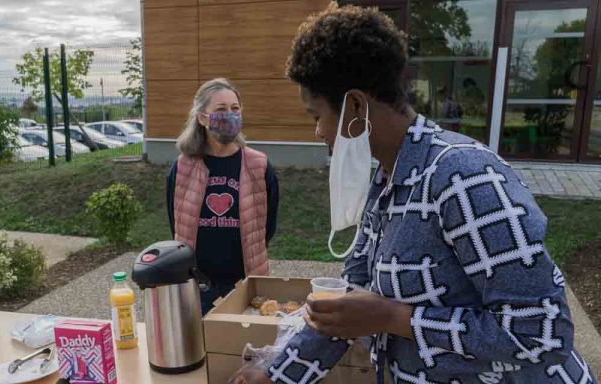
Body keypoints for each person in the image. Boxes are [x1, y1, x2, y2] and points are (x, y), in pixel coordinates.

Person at [235, 4, 595, 384]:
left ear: (356, 105)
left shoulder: (464, 179)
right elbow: (348, 304)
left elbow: (541, 333)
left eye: (316, 116)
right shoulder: (389, 181)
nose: (318, 133)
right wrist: (276, 374)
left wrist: (395, 317)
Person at [166, 78, 279, 315]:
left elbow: (266, 228)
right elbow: (176, 224)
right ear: (202, 118)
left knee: (242, 350)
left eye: (235, 109)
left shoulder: (258, 166)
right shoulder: (183, 168)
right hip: (197, 288)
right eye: (220, 110)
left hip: (246, 286)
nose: (230, 115)